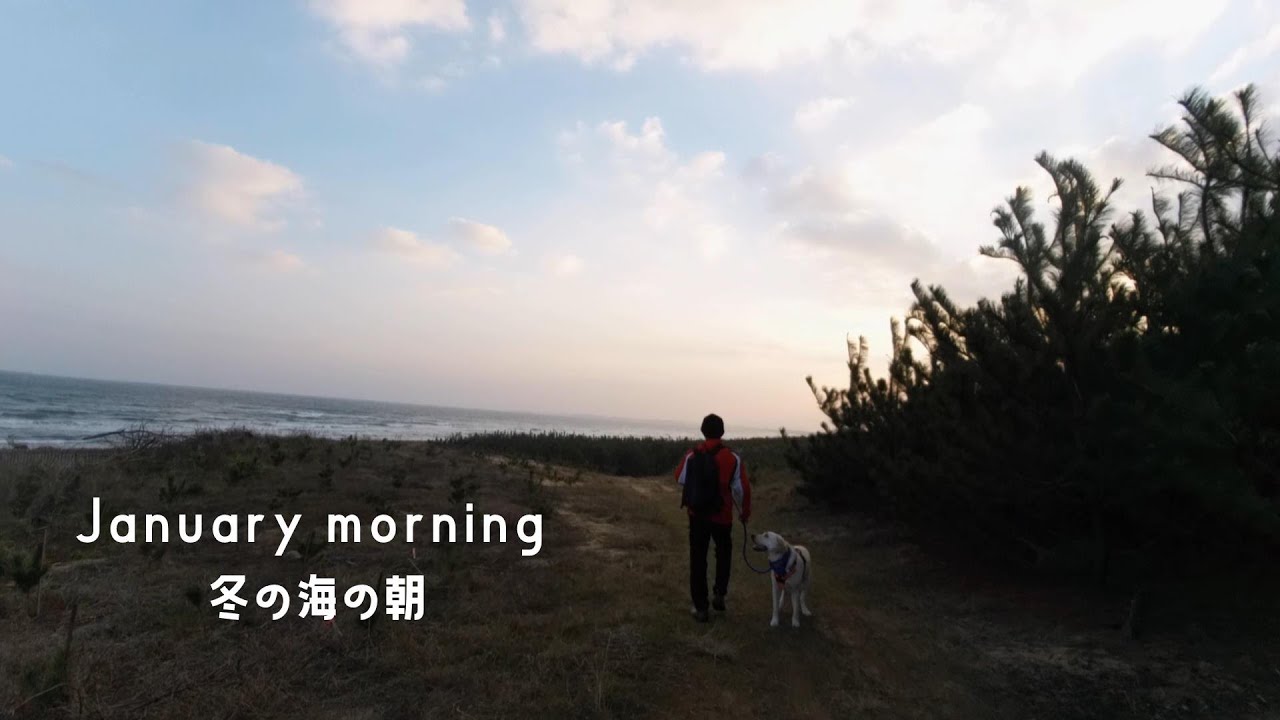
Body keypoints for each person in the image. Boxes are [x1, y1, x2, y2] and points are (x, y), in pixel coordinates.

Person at [675, 413, 752, 622]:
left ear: (702, 431)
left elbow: (679, 478)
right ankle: (719, 594)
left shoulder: (692, 454)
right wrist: (744, 512)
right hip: (722, 517)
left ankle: (701, 608)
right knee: (724, 554)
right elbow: (742, 489)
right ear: (723, 432)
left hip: (697, 515)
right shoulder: (732, 458)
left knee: (698, 559)